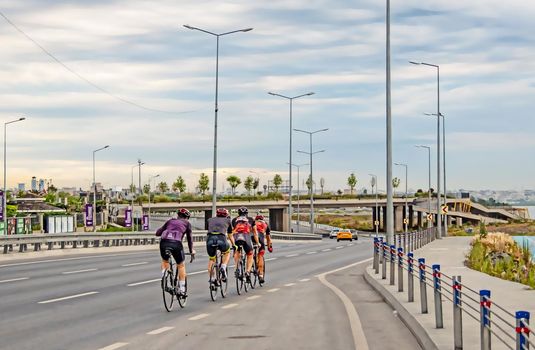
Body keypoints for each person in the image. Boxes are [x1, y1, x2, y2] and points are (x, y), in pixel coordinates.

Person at [156, 208, 195, 295]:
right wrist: (191, 251)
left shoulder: (170, 221)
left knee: (165, 260)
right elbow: (190, 239)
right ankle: (182, 289)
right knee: (181, 265)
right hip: (176, 243)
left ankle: (164, 275)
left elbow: (158, 233)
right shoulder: (187, 223)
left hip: (164, 242)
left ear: (178, 215)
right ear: (187, 217)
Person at [231, 207, 258, 282]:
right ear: (247, 213)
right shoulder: (251, 219)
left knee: (237, 251)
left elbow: (232, 231)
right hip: (246, 237)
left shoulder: (234, 220)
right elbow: (255, 233)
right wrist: (258, 243)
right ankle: (248, 272)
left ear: (238, 213)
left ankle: (237, 268)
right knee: (250, 254)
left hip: (236, 237)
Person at [206, 208, 232, 285]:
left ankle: (212, 278)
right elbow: (230, 235)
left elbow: (209, 230)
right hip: (222, 240)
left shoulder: (209, 220)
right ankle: (223, 267)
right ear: (226, 215)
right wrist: (234, 245)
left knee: (212, 259)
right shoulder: (228, 221)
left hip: (210, 240)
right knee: (227, 252)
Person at [254, 214, 272, 284]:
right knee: (260, 255)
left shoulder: (253, 223)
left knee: (249, 253)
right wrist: (269, 247)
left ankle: (248, 270)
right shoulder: (265, 224)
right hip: (260, 238)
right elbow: (268, 238)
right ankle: (261, 275)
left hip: (251, 237)